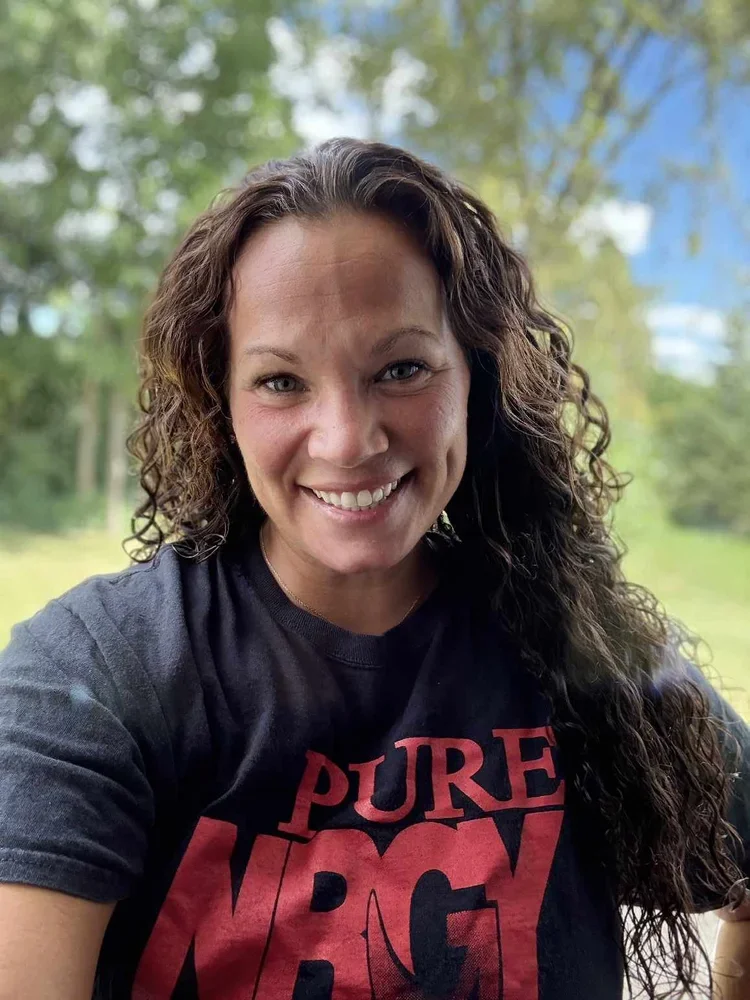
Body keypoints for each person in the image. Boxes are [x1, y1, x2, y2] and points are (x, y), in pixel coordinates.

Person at [0, 137, 748, 1000]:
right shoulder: (92, 676)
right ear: (224, 402)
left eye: (401, 368)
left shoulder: (588, 653)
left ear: (476, 376)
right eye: (282, 382)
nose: (348, 440)